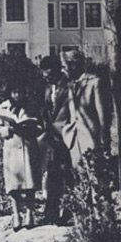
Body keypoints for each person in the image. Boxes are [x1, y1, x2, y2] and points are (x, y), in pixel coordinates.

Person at [0, 82, 43, 230]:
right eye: (14, 93)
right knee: (13, 185)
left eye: (20, 93)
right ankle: (16, 215)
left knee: (30, 184)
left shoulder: (31, 106)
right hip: (12, 149)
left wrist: (32, 129)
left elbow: (40, 126)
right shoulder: (3, 108)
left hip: (28, 147)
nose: (18, 96)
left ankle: (30, 214)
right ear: (9, 94)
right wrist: (7, 130)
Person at [58, 50, 110, 168]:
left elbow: (103, 117)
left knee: (93, 178)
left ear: (74, 65)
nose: (62, 70)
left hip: (91, 141)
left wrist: (104, 143)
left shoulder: (95, 83)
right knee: (79, 181)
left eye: (64, 67)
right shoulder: (71, 85)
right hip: (74, 142)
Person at [38, 55, 72, 224]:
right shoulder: (47, 88)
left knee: (68, 174)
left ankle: (69, 212)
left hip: (68, 137)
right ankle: (51, 213)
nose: (47, 77)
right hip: (51, 137)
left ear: (59, 70)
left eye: (50, 74)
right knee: (52, 174)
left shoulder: (70, 86)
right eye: (44, 74)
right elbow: (47, 111)